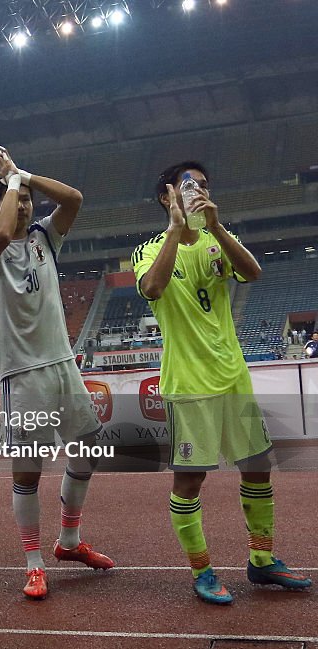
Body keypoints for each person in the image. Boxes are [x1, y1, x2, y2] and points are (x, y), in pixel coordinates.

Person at [132, 161, 312, 604]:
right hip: (188, 384)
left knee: (257, 468)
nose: (198, 190)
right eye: (188, 185)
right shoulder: (149, 249)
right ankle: (203, 571)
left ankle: (262, 560)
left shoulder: (215, 240)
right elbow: (153, 290)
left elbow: (252, 273)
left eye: (204, 185)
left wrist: (215, 226)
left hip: (233, 378)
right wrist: (177, 229)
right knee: (190, 481)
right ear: (166, 195)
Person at [0, 145, 114, 600]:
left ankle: (68, 542)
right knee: (28, 470)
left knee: (90, 451)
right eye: (16, 200)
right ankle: (33, 564)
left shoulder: (45, 237)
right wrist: (12, 185)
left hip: (63, 365)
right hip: (23, 372)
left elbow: (73, 199)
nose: (26, 206)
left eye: (29, 200)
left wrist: (23, 174)